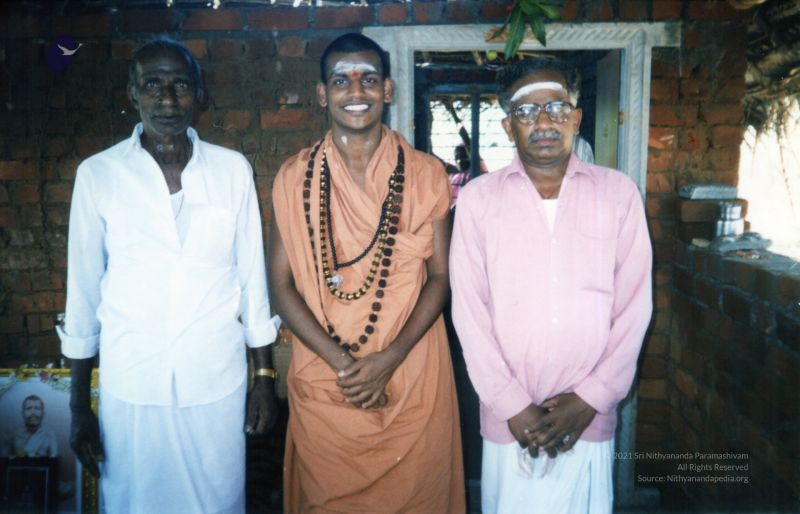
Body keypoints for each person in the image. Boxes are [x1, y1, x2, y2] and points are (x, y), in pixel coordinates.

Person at [56, 38, 279, 514]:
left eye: (180, 85)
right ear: (132, 95)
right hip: (132, 381)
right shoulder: (99, 175)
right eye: (153, 85)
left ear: (199, 94)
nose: (168, 100)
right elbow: (83, 294)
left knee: (218, 501)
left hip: (215, 380)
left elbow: (253, 283)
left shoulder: (232, 171)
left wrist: (263, 378)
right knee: (134, 501)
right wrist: (78, 406)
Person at [269, 33, 465, 513]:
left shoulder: (426, 174)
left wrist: (389, 359)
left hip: (412, 366)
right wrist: (344, 364)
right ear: (323, 94)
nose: (355, 91)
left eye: (369, 79)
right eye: (341, 80)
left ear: (389, 90)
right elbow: (280, 285)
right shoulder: (293, 177)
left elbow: (440, 277)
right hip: (326, 375)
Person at [450, 57, 653, 514]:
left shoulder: (618, 194)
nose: (543, 122)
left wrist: (590, 399)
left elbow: (634, 308)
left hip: (588, 415)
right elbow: (469, 311)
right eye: (526, 112)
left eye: (557, 108)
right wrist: (512, 405)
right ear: (507, 126)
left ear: (576, 117)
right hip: (510, 419)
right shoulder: (479, 201)